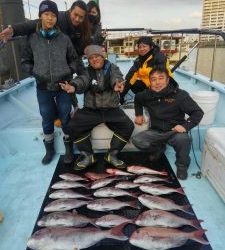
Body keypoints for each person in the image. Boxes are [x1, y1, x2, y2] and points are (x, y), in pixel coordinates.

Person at [21, 0, 85, 165]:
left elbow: (74, 59)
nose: (50, 18)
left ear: (57, 18)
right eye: (47, 14)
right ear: (41, 16)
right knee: (47, 117)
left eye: (53, 15)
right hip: (43, 87)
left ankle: (68, 147)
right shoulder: (32, 39)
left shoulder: (64, 39)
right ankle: (49, 149)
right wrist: (35, 73)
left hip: (62, 86)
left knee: (65, 116)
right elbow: (25, 61)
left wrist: (68, 71)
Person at [60, 44, 134, 170]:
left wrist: (117, 84)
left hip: (111, 109)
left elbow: (117, 78)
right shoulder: (86, 71)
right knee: (72, 127)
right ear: (88, 60)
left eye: (97, 56)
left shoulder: (113, 67)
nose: (95, 59)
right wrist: (73, 86)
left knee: (128, 126)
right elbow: (81, 80)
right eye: (91, 58)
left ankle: (112, 154)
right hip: (91, 110)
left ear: (103, 56)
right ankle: (88, 155)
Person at [132, 66, 204, 180]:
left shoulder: (180, 95)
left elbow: (198, 112)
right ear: (150, 82)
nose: (157, 82)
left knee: (183, 140)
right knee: (137, 140)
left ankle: (182, 166)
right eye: (153, 79)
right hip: (156, 130)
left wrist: (186, 126)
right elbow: (137, 99)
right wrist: (139, 114)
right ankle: (158, 148)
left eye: (161, 78)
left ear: (168, 80)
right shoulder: (147, 94)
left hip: (174, 131)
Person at [0, 0, 91, 56]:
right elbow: (34, 23)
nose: (77, 19)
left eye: (81, 17)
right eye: (75, 15)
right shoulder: (59, 18)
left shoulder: (82, 26)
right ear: (70, 10)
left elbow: (81, 44)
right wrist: (14, 30)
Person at [120, 36, 173, 103]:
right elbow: (130, 77)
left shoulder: (159, 57)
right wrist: (121, 95)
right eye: (139, 47)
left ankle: (155, 100)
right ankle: (147, 99)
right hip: (148, 85)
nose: (142, 49)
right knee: (133, 84)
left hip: (163, 86)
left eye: (144, 46)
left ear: (151, 46)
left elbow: (161, 77)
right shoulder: (139, 60)